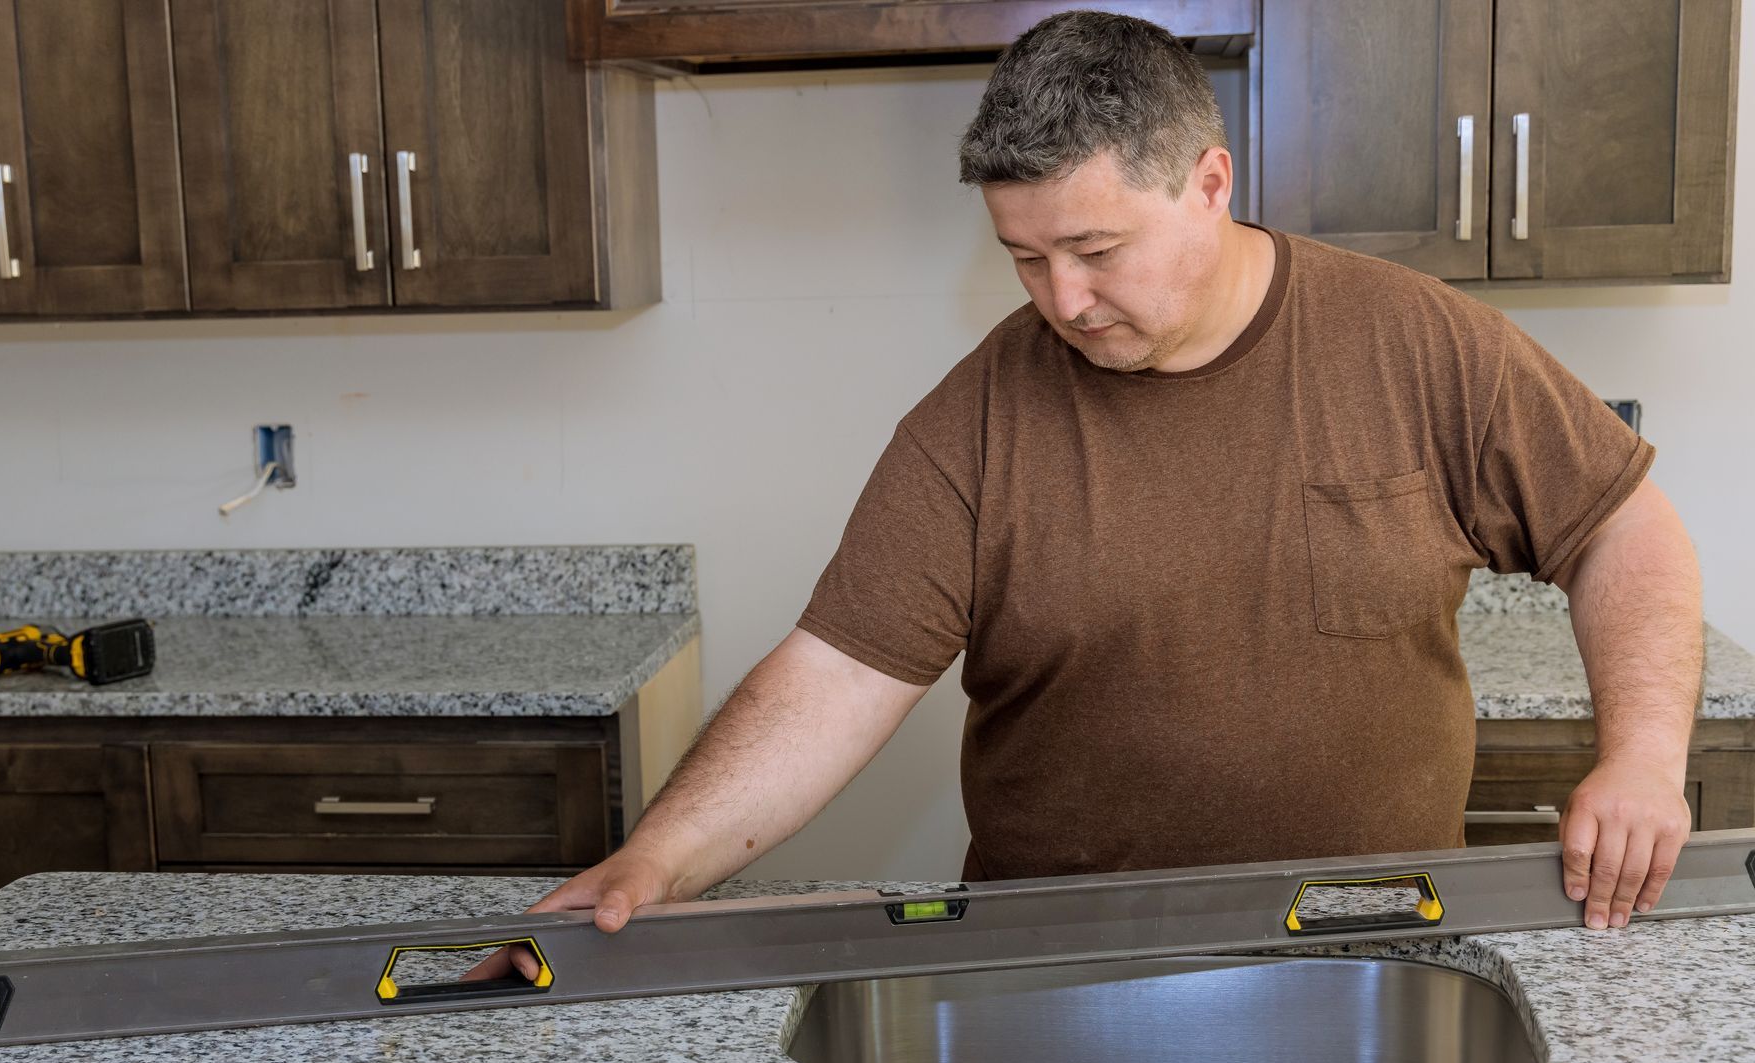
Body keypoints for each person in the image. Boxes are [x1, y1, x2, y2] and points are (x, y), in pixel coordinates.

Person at [491, 9, 1702, 980]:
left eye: (1097, 250)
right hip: (1054, 964)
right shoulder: (977, 418)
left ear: (1210, 182)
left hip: (1368, 948)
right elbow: (834, 679)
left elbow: (1622, 531)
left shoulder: (1420, 344)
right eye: (1024, 258)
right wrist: (657, 859)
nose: (1061, 300)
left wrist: (1643, 760)